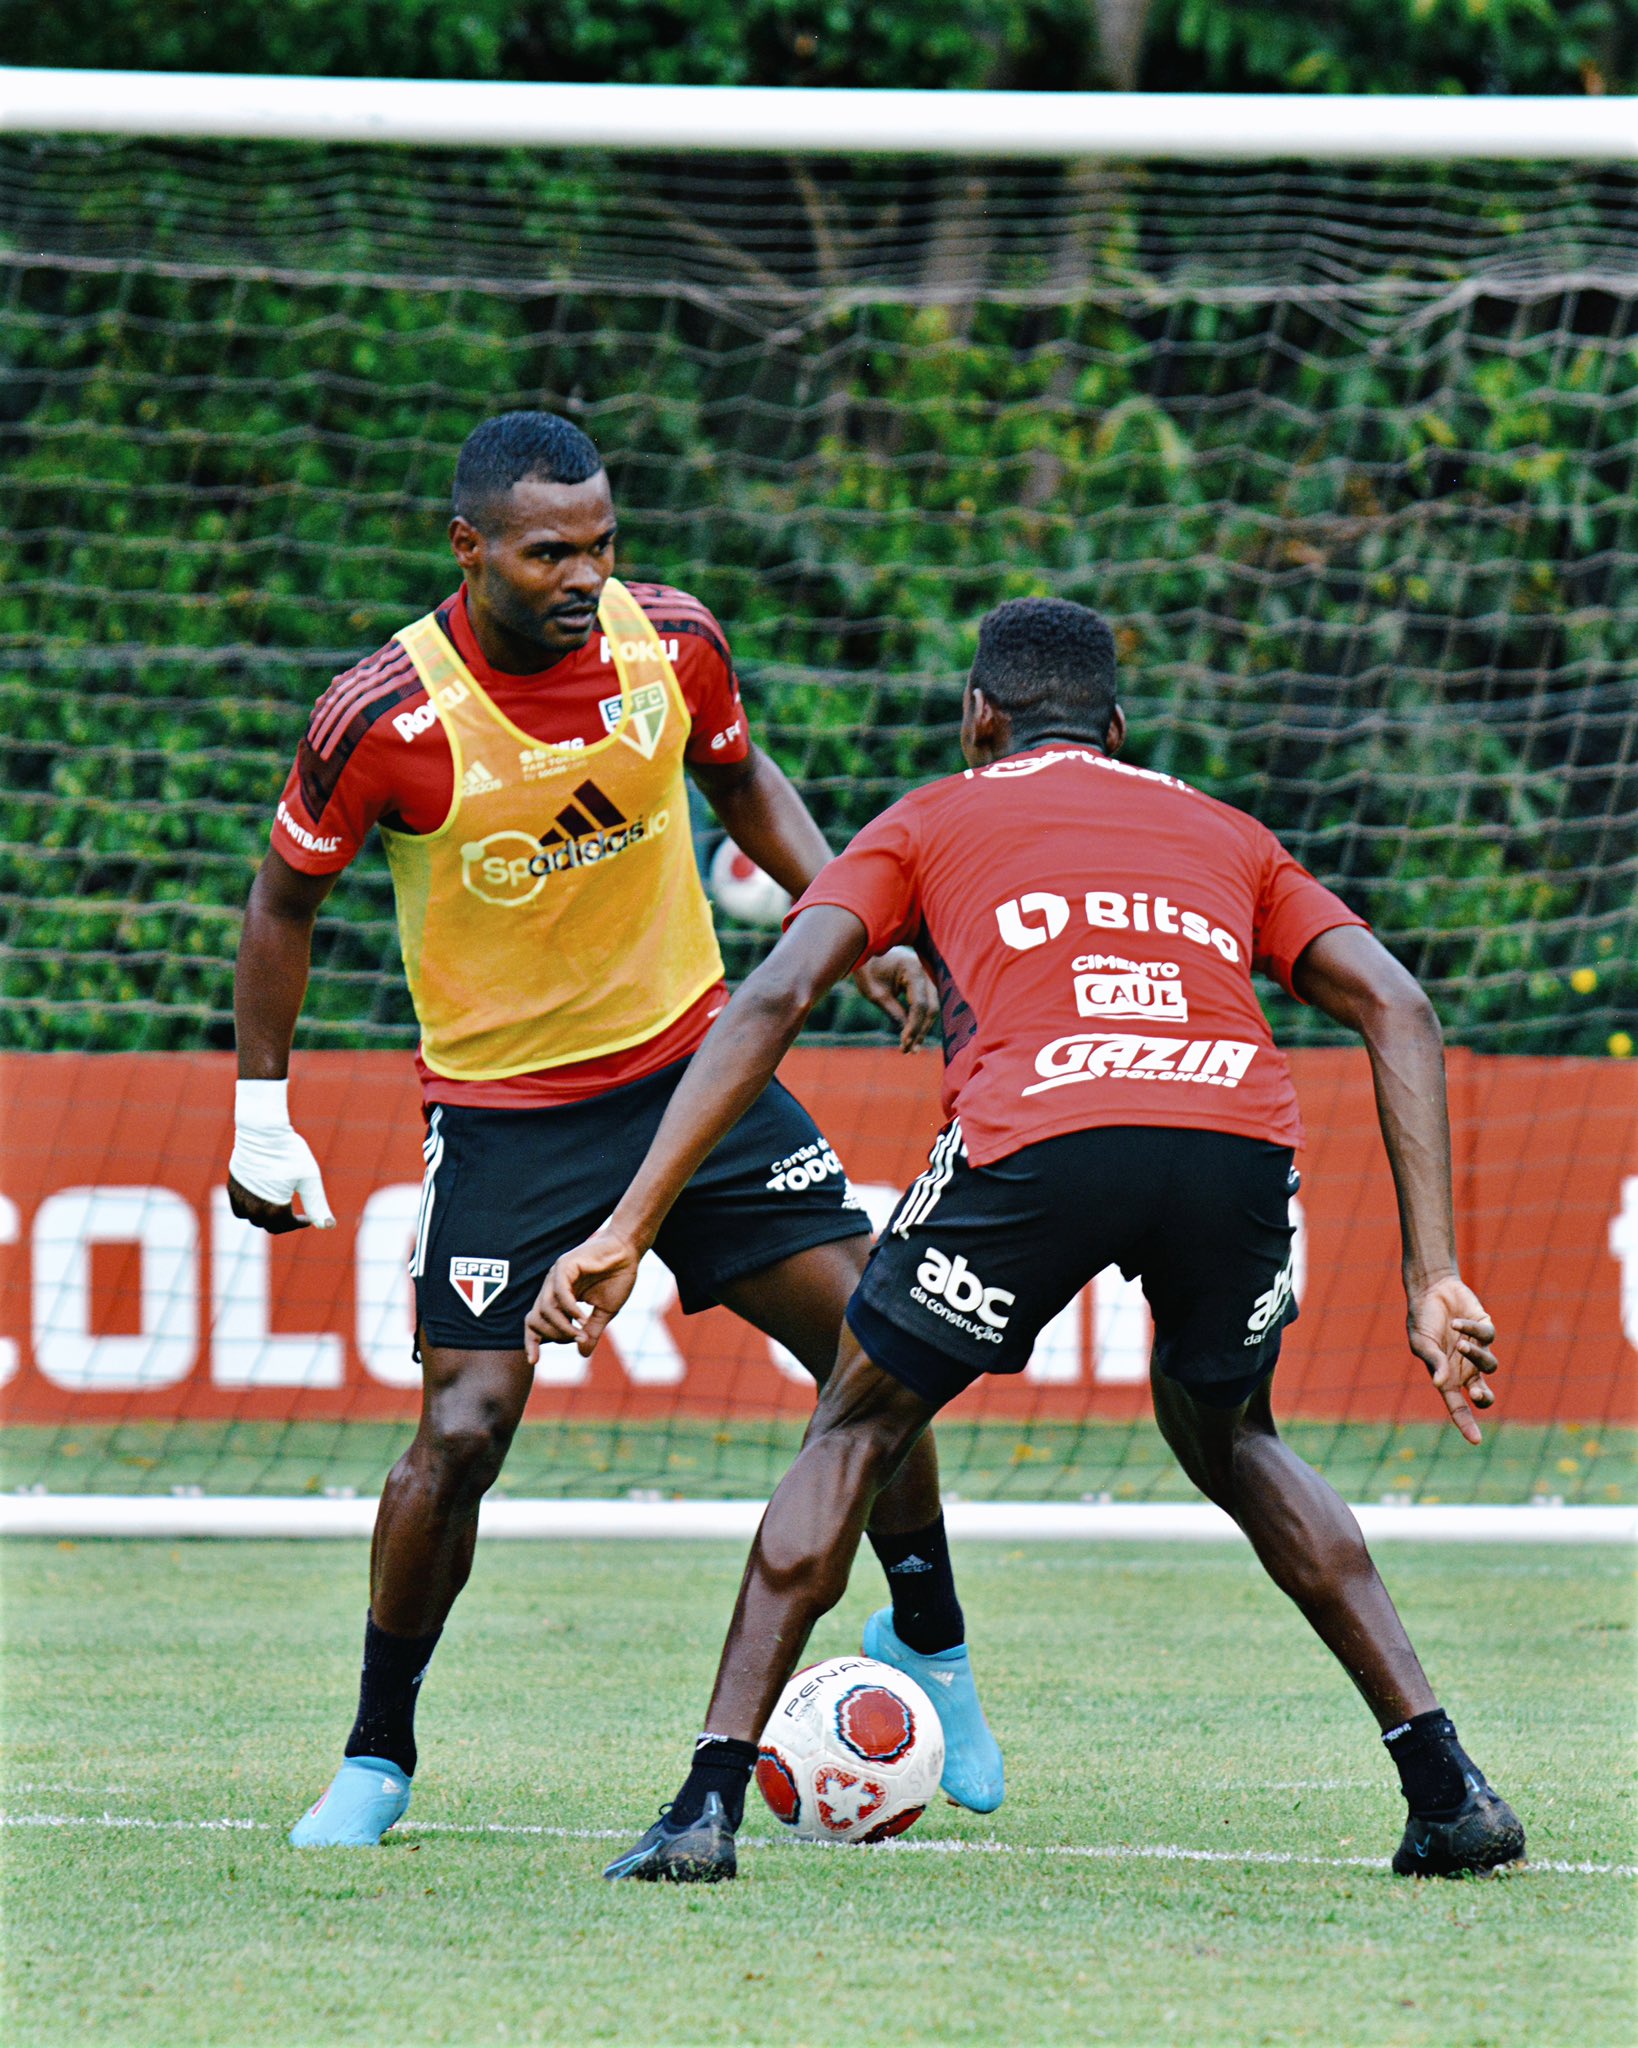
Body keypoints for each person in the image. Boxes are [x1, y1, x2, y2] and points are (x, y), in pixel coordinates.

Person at [529, 595, 1527, 1885]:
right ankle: (1447, 1786)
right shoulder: (1230, 831)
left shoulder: (934, 814)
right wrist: (1432, 1271)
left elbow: (777, 990)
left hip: (1042, 1134)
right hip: (1231, 1135)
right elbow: (1396, 1000)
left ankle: (707, 1805)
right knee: (1235, 1436)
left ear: (975, 719)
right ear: (1116, 729)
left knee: (858, 1423)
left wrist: (628, 1221)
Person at [226, 410, 1004, 1849]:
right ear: (469, 548)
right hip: (507, 1113)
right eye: (546, 552)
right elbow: (282, 903)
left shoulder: (673, 644)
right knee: (461, 1428)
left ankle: (933, 1653)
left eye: (600, 545)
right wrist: (259, 1113)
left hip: (696, 1079)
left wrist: (861, 922)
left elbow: (741, 779)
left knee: (876, 1348)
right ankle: (378, 1754)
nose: (583, 576)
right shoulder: (383, 716)